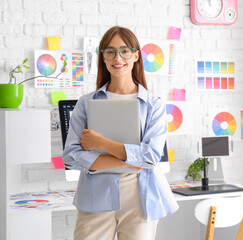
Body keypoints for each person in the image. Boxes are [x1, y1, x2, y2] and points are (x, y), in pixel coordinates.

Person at [63, 26, 179, 240]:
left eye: (125, 51)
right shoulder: (86, 103)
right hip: (96, 195)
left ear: (136, 55)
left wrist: (100, 142)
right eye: (110, 51)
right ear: (103, 58)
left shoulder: (154, 105)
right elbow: (71, 156)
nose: (118, 58)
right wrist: (127, 162)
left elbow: (151, 157)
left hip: (141, 196)